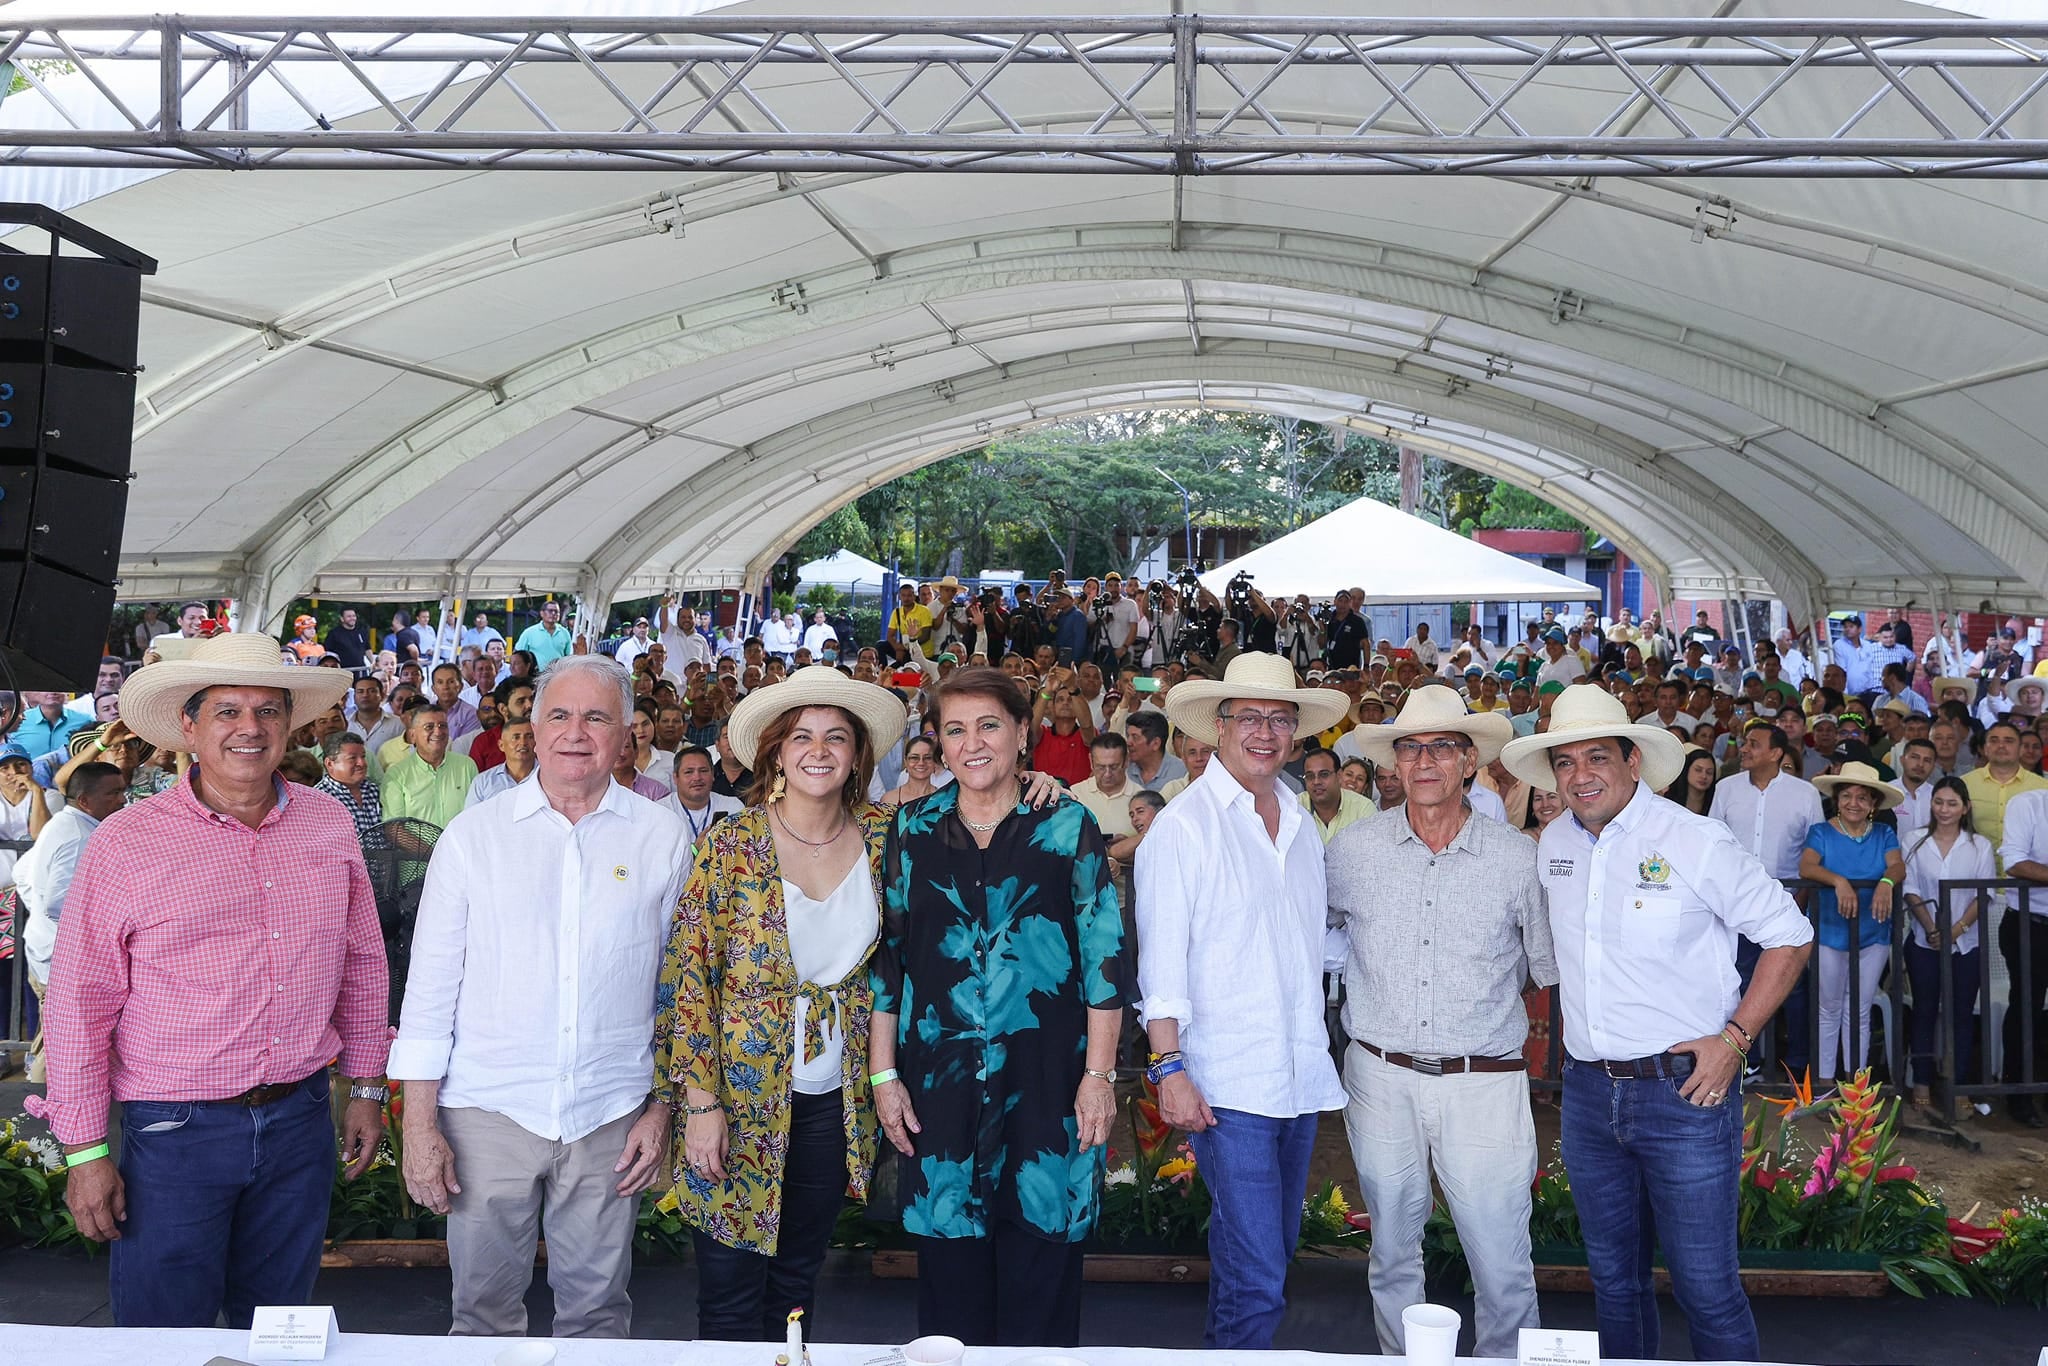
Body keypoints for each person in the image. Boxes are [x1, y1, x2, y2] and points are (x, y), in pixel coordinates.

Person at [26, 632, 390, 1328]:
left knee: (279, 1329)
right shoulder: (128, 843)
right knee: (164, 1336)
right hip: (174, 1131)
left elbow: (363, 961)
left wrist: (368, 1086)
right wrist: (86, 1152)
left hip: (299, 1121)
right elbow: (79, 1003)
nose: (250, 728)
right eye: (227, 711)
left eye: (268, 711)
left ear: (291, 724)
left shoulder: (327, 823)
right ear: (188, 728)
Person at [1499, 684, 1813, 1363]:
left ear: (1633, 761)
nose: (1580, 775)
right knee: (1614, 1284)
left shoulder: (1695, 839)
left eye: (1597, 758)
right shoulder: (1554, 841)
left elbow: (1789, 936)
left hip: (1684, 1095)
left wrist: (1734, 1039)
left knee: (1706, 1289)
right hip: (1587, 1095)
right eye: (1565, 763)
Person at [392, 655, 687, 1337]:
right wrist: (418, 1125)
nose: (575, 732)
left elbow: (680, 989)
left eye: (596, 717)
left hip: (611, 1112)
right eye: (559, 714)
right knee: (483, 1316)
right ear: (531, 725)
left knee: (598, 1316)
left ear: (624, 736)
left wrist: (662, 1107)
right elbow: (430, 987)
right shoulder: (475, 837)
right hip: (488, 1111)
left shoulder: (662, 838)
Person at [870, 666, 1129, 1348]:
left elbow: (1105, 963)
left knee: (1040, 1300)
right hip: (941, 1096)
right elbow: (889, 960)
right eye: (954, 730)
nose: (972, 743)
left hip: (1048, 1091)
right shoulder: (912, 829)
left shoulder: (1066, 825)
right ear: (938, 742)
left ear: (1022, 733)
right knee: (949, 1310)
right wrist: (882, 1076)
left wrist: (1100, 1079)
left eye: (989, 725)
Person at [653, 669, 904, 1339]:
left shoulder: (887, 840)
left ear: (856, 755)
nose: (818, 750)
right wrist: (699, 1103)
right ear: (776, 753)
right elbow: (687, 979)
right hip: (735, 1099)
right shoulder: (732, 845)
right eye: (801, 737)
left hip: (833, 1101)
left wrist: (1038, 784)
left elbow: (980, 812)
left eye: (835, 737)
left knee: (796, 1285)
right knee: (731, 1296)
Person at [1327, 687, 1552, 1360]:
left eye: (1441, 747)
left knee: (1503, 1266)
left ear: (1470, 760)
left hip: (1484, 1083)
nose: (1423, 761)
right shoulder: (1351, 853)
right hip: (1379, 1076)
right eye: (1410, 747)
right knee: (1393, 1259)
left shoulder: (1517, 860)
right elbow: (1314, 936)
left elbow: (1543, 964)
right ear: (1393, 762)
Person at [1135, 653, 1350, 1348]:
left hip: (1296, 1075)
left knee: (1261, 1259)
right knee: (1258, 1273)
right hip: (1226, 1086)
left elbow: (1311, 944)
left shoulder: (1297, 820)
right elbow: (1160, 964)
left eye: (1280, 718)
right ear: (1217, 730)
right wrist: (1169, 1069)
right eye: (1249, 717)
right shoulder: (1184, 827)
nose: (1266, 731)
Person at [14, 762, 127, 1082]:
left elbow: (23, 873)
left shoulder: (63, 823)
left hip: (45, 952)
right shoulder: (80, 835)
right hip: (64, 963)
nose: (122, 799)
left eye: (122, 791)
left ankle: (37, 1114)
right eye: (113, 793)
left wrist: (42, 925)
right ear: (85, 801)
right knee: (60, 1048)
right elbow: (58, 903)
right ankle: (40, 1122)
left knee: (51, 1037)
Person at [1800, 763, 1906, 1086]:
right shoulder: (1822, 832)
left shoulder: (1884, 834)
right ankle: (1823, 1082)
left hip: (1873, 930)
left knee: (1859, 1008)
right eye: (1847, 796)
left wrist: (1886, 882)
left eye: (1862, 797)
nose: (1854, 803)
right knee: (1829, 1006)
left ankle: (1854, 1085)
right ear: (1836, 799)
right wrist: (1838, 881)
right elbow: (1806, 866)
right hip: (1831, 930)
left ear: (1873, 803)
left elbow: (1897, 865)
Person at [1899, 777, 1991, 1109]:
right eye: (1939, 802)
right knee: (1924, 1011)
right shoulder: (1913, 840)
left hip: (1966, 945)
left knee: (1961, 1015)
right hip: (1924, 942)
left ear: (1965, 807)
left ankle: (1958, 1084)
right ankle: (1921, 1081)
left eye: (1952, 803)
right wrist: (1931, 927)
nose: (1944, 809)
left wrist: (1956, 929)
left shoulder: (1979, 845)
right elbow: (1909, 888)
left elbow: (1984, 894)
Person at [1995, 785, 2048, 1127]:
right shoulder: (2028, 804)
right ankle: (2019, 1095)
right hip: (2030, 923)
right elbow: (2014, 862)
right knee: (2026, 1008)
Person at [382, 704, 478, 828]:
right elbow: (394, 828)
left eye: (442, 726)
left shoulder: (466, 766)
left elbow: (475, 815)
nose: (438, 732)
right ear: (412, 736)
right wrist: (427, 848)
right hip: (414, 847)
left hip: (461, 845)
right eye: (429, 727)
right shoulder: (396, 775)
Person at [1299, 745, 1375, 843]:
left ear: (1339, 776)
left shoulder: (1363, 809)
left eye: (1324, 774)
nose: (1316, 781)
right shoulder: (1295, 807)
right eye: (1310, 776)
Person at [463, 716, 536, 805]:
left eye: (529, 737)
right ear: (501, 745)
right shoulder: (483, 782)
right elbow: (471, 817)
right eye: (516, 737)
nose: (523, 742)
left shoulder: (549, 777)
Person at [877, 733, 944, 807]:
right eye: (914, 758)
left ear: (934, 762)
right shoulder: (889, 800)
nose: (921, 763)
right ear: (905, 762)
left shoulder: (944, 799)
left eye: (927, 758)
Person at [513, 599, 574, 667]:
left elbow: (569, 657)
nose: (553, 613)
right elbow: (517, 655)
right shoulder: (529, 632)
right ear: (542, 613)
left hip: (558, 675)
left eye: (556, 611)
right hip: (536, 675)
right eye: (550, 611)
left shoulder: (564, 633)